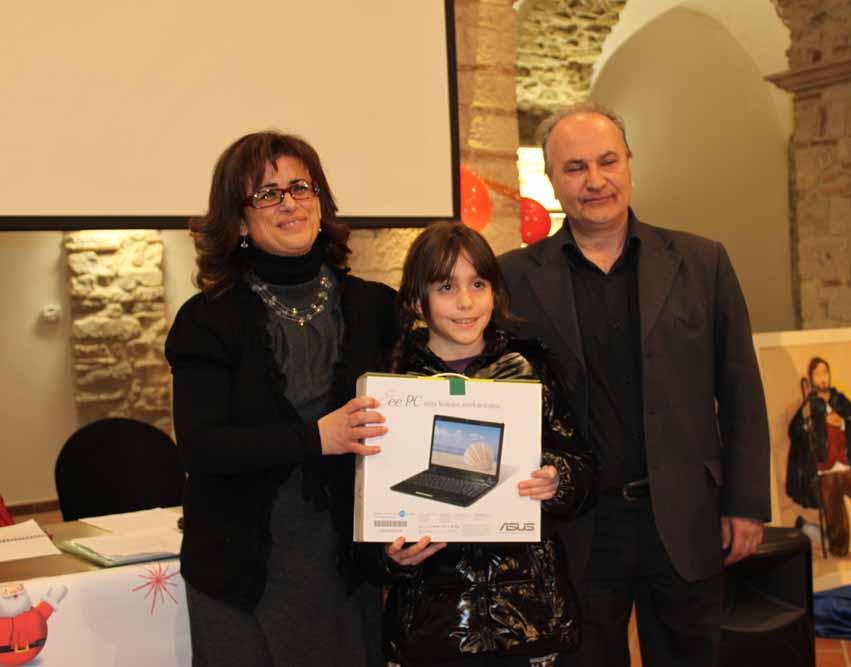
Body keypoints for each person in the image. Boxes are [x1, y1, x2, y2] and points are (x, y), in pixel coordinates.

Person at [497, 102, 771, 667]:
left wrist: (746, 504)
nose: (595, 180)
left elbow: (741, 391)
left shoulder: (702, 262)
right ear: (551, 179)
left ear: (628, 164)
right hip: (577, 524)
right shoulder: (514, 277)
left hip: (685, 515)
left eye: (607, 161)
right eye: (575, 168)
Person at [165, 131, 397, 667]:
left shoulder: (377, 308)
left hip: (344, 566)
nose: (289, 203)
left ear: (320, 201)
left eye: (300, 187)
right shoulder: (207, 319)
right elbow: (201, 447)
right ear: (240, 220)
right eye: (267, 193)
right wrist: (316, 438)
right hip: (242, 570)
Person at [381, 221, 597, 667]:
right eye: (446, 287)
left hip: (527, 616)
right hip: (433, 623)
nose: (465, 302)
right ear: (417, 301)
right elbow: (368, 501)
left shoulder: (529, 368)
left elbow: (583, 469)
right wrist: (388, 553)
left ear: (495, 293)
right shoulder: (394, 379)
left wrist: (557, 477)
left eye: (478, 284)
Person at [787, 357, 851, 558]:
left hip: (848, 471)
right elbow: (795, 433)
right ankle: (805, 528)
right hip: (826, 477)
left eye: (825, 372)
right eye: (818, 373)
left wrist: (843, 423)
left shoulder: (840, 400)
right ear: (811, 378)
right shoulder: (809, 406)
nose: (823, 377)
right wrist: (806, 424)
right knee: (839, 547)